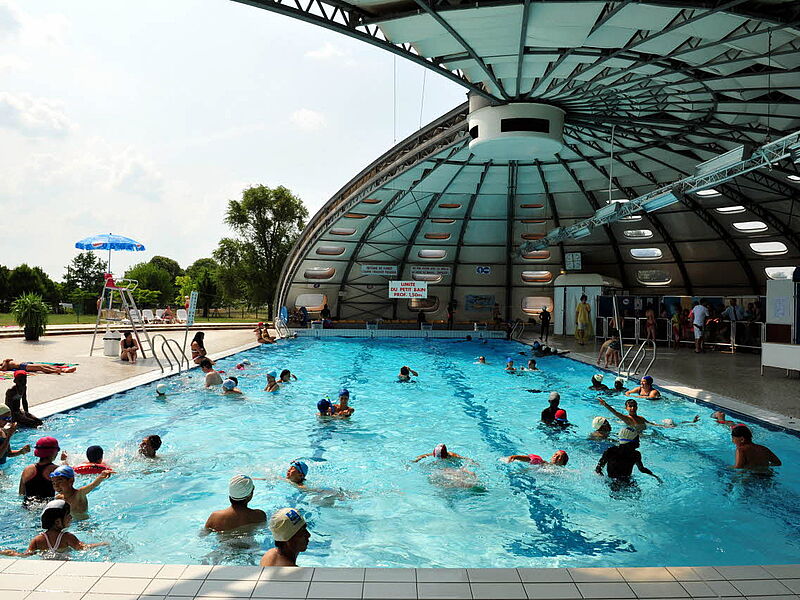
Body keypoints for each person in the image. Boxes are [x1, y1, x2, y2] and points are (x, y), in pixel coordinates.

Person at [0, 500, 108, 558]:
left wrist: (11, 553)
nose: (71, 517)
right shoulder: (67, 537)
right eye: (68, 515)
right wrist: (102, 544)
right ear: (57, 522)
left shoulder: (37, 540)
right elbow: (82, 548)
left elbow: (26, 555)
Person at [595, 427, 661, 483]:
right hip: (614, 482)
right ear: (630, 441)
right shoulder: (611, 452)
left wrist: (655, 476)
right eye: (637, 439)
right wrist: (605, 481)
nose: (639, 441)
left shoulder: (636, 454)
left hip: (625, 481)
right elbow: (598, 469)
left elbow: (642, 469)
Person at [598, 397, 688, 431]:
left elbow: (654, 425)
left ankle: (688, 422)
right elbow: (615, 412)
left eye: (634, 406)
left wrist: (667, 427)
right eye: (630, 406)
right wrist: (605, 404)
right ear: (626, 408)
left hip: (645, 435)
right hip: (639, 438)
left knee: (669, 422)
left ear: (637, 407)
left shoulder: (641, 418)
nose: (632, 408)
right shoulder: (627, 419)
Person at [19, 436, 60, 503]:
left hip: (27, 506)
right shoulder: (56, 469)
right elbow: (65, 492)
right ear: (53, 452)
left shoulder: (27, 469)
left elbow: (21, 494)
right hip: (47, 507)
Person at [1, 358, 76, 374]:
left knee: (45, 365)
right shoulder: (3, 364)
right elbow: (3, 369)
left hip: (25, 364)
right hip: (22, 367)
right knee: (41, 368)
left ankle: (64, 370)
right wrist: (5, 361)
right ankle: (55, 371)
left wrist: (5, 361)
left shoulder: (3, 363)